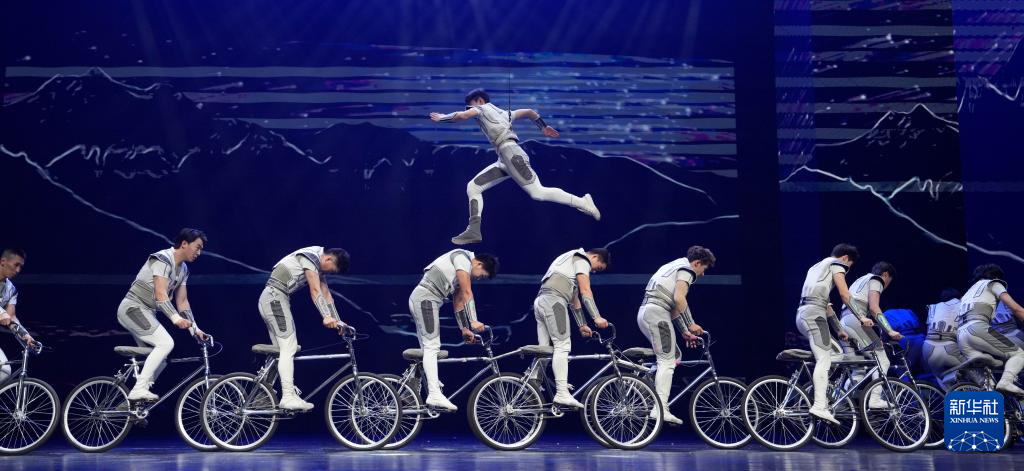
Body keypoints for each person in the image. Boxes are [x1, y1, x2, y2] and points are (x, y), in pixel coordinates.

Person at [430, 88, 601, 245]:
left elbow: (462, 116)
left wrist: (442, 117)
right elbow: (529, 112)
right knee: (473, 187)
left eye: (471, 105)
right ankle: (474, 230)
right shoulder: (506, 114)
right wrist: (543, 126)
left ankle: (582, 202)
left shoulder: (482, 108)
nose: (470, 109)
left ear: (479, 101)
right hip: (505, 158)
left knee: (538, 193)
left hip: (511, 154)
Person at [117, 229, 208, 401]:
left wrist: (195, 329)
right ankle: (138, 390)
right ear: (184, 244)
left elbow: (182, 302)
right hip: (133, 308)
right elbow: (160, 294)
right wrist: (176, 319)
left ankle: (132, 403)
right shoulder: (162, 259)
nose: (199, 253)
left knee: (162, 358)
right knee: (166, 343)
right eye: (197, 247)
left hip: (147, 313)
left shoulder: (184, 269)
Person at [259, 246, 351, 410]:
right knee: (289, 347)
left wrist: (338, 321)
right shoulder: (311, 257)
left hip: (275, 300)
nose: (328, 274)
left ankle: (261, 396)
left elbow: (326, 294)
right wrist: (326, 316)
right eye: (331, 271)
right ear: (328, 259)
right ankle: (288, 397)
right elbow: (315, 290)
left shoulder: (318, 267)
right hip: (274, 299)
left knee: (280, 352)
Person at [409, 249, 499, 411]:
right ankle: (434, 393)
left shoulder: (461, 269)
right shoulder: (462, 258)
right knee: (432, 347)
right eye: (482, 275)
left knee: (427, 350)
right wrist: (473, 320)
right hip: (425, 300)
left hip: (425, 300)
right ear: (479, 264)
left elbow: (458, 301)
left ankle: (411, 390)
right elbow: (467, 292)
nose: (478, 278)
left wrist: (464, 329)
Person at [636, 246, 715, 425]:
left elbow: (673, 306)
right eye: (704, 269)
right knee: (667, 361)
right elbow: (679, 299)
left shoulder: (673, 265)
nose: (703, 274)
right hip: (656, 314)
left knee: (674, 356)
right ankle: (660, 408)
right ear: (697, 263)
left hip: (648, 312)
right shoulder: (687, 270)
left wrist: (684, 331)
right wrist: (691, 324)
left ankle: (643, 385)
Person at [534, 248, 610, 409]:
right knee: (562, 345)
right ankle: (562, 393)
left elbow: (574, 299)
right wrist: (596, 317)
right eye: (598, 267)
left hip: (542, 301)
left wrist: (582, 325)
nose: (594, 271)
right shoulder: (582, 259)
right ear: (594, 257)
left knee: (545, 350)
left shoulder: (569, 261)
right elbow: (585, 290)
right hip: (554, 302)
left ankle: (533, 383)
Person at [795, 243, 859, 425]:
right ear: (845, 258)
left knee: (835, 353)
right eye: (849, 266)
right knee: (824, 359)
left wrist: (839, 329)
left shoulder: (816, 268)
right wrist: (861, 317)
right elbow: (845, 294)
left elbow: (827, 305)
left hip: (804, 314)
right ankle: (819, 405)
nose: (846, 270)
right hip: (814, 316)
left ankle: (822, 391)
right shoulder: (837, 264)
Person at [838, 262, 902, 408]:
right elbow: (874, 308)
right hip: (855, 321)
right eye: (888, 281)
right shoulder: (877, 279)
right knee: (883, 360)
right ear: (885, 274)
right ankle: (875, 399)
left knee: (858, 368)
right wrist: (890, 331)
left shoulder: (860, 280)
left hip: (843, 322)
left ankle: (840, 402)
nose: (886, 286)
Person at [957, 264, 1024, 396]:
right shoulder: (994, 283)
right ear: (996, 277)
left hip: (961, 336)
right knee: (1019, 354)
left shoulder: (966, 294)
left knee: (988, 385)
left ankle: (993, 397)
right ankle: (1006, 381)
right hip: (979, 328)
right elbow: (1017, 309)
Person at [0, 248, 34, 384]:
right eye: (16, 265)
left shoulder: (11, 289)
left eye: (21, 267)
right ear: (3, 261)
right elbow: (4, 315)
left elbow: (11, 316)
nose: (18, 270)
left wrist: (24, 334)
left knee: (4, 372)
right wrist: (1, 313)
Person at [922, 288, 965, 390]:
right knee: (974, 368)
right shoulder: (962, 305)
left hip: (928, 349)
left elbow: (928, 330)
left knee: (941, 378)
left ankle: (949, 393)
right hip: (949, 348)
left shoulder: (934, 307)